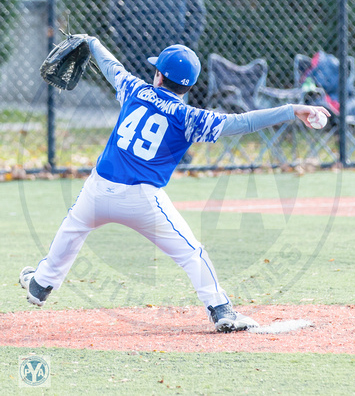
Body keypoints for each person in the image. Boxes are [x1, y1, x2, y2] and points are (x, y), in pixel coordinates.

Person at [19, 37, 330, 333]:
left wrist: (91, 41)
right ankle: (221, 309)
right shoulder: (188, 117)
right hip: (141, 198)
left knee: (74, 228)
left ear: (157, 76)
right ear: (189, 86)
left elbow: (112, 66)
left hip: (97, 189)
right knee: (191, 253)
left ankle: (41, 283)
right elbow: (243, 122)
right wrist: (292, 110)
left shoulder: (134, 89)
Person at [109, 0, 206, 84]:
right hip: (137, 60)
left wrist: (183, 47)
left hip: (174, 61)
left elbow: (197, 13)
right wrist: (128, 47)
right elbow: (115, 14)